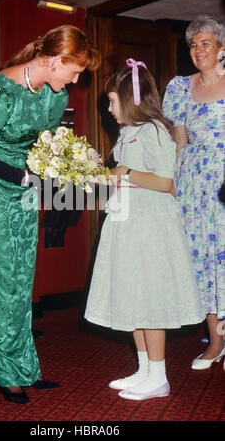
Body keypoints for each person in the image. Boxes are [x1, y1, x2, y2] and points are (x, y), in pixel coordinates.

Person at [0, 25, 101, 404]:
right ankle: (3, 367)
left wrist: (67, 170)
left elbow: (47, 145)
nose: (74, 80)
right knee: (0, 272)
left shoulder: (55, 96)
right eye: (73, 71)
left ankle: (22, 363)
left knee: (21, 275)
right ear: (54, 60)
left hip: (23, 186)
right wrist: (21, 175)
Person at [84, 59, 205, 401]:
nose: (108, 108)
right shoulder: (127, 133)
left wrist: (124, 174)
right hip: (128, 222)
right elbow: (124, 176)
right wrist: (102, 176)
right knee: (133, 296)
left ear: (131, 99)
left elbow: (167, 182)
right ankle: (144, 370)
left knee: (150, 299)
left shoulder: (154, 130)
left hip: (151, 225)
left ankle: (160, 376)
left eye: (111, 100)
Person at [163, 14, 225, 371]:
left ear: (220, 49)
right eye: (193, 44)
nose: (199, 50)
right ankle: (215, 341)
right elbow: (180, 139)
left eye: (206, 43)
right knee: (202, 260)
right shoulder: (178, 87)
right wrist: (172, 183)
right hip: (193, 182)